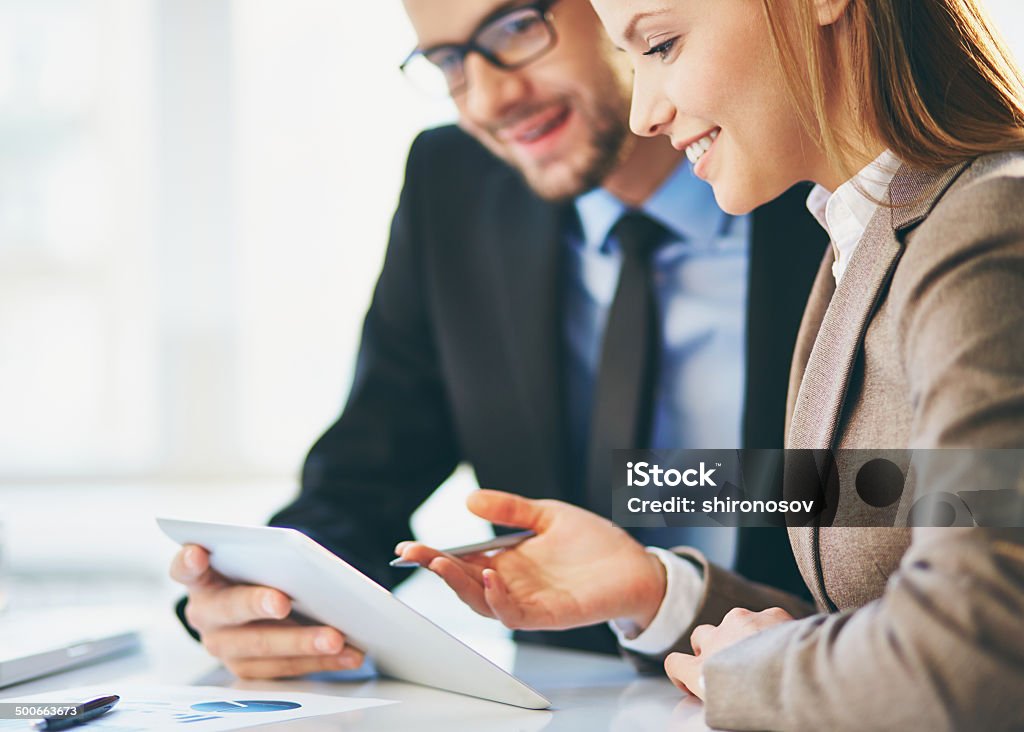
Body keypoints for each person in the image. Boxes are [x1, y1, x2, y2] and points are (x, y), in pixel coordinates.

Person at [394, 0, 1024, 729]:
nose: (643, 116)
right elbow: (894, 578)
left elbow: (974, 643)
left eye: (660, 45)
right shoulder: (862, 238)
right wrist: (662, 591)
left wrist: (752, 672)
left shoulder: (983, 221)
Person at [168, 0, 829, 680]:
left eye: (516, 29)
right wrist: (264, 596)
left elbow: (911, 490)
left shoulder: (822, 175)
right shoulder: (453, 181)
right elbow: (367, 475)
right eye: (449, 62)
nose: (489, 98)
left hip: (814, 686)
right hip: (566, 699)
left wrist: (666, 547)